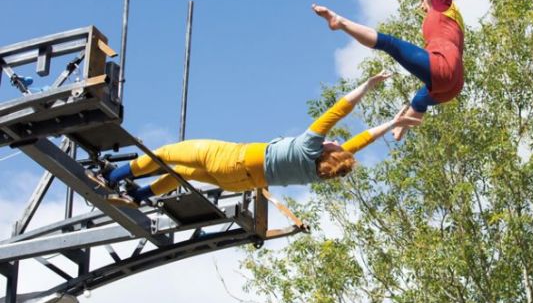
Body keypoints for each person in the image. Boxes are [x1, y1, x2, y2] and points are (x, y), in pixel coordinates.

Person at [92, 71, 419, 208]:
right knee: (181, 175)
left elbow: (338, 111)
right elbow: (358, 143)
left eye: (337, 145)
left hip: (230, 158)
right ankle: (139, 196)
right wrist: (392, 120)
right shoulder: (319, 173)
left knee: (165, 154)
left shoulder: (310, 146)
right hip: (236, 183)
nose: (339, 143)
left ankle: (113, 177)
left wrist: (368, 85)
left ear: (329, 150)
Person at [312, 0, 465, 140]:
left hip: (443, 69)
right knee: (419, 101)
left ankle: (340, 22)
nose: (421, 5)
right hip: (454, 83)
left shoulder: (441, 4)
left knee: (390, 44)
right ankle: (399, 128)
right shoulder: (452, 13)